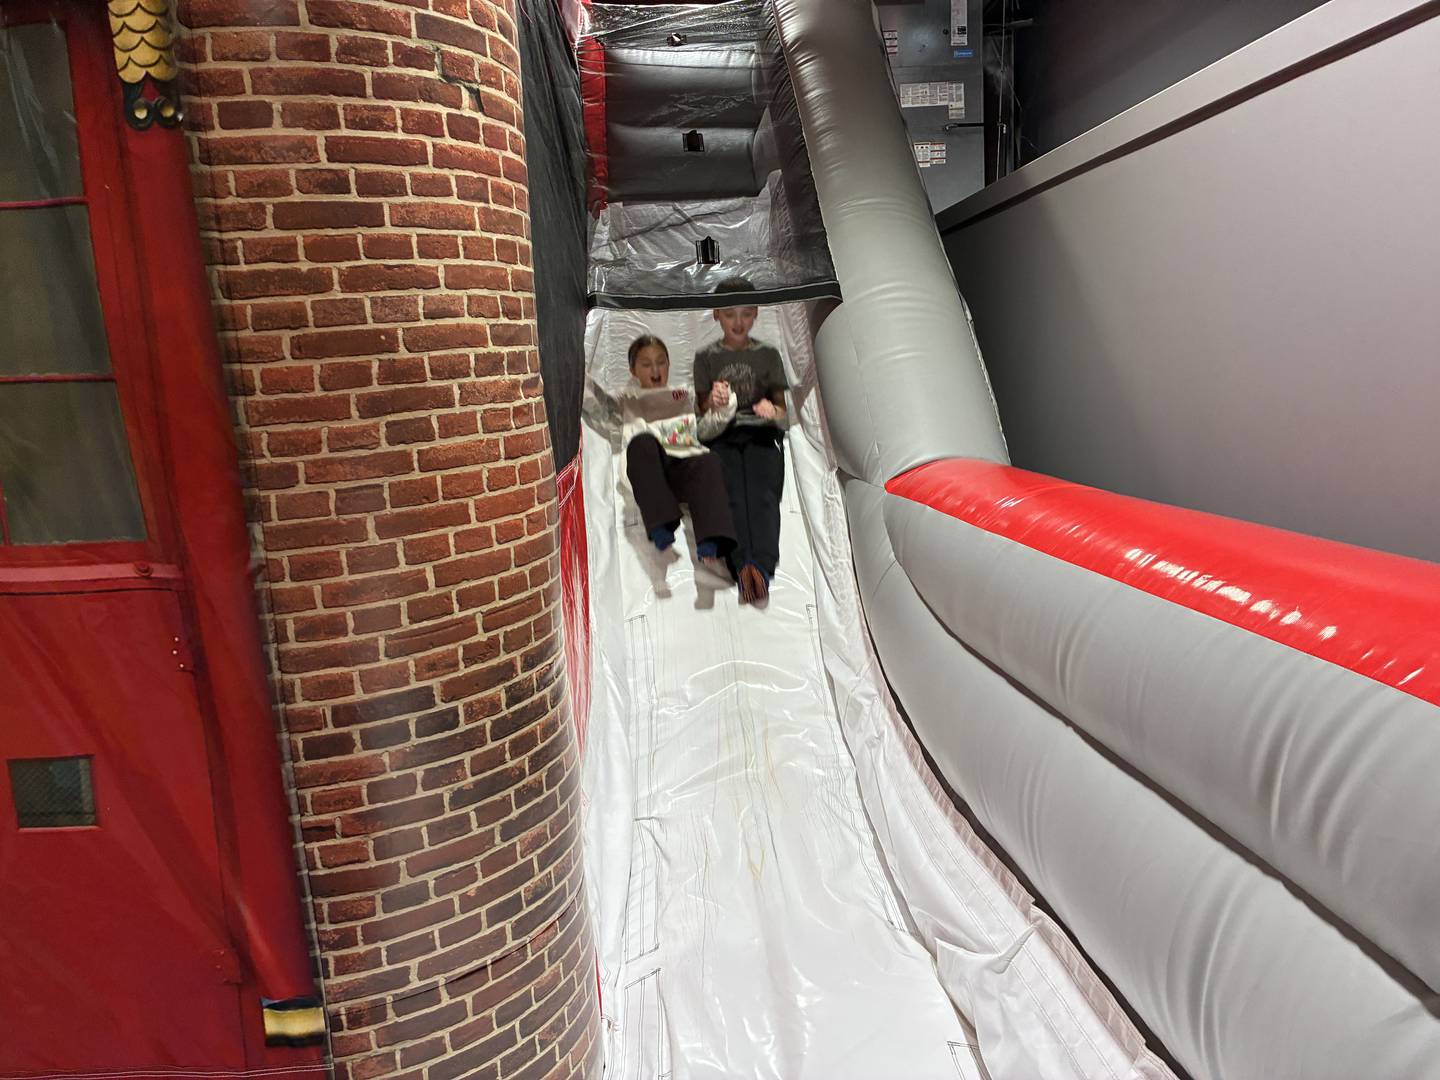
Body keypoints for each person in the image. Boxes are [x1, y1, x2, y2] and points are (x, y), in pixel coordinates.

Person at [590, 334, 737, 573]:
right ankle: (661, 525)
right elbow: (595, 404)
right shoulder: (627, 400)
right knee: (642, 443)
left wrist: (723, 401)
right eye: (646, 364)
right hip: (650, 476)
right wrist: (575, 368)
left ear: (669, 364)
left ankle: (711, 540)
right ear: (633, 370)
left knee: (708, 459)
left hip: (682, 470)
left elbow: (710, 425)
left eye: (661, 362)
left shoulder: (684, 395)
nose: (655, 370)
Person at [694, 278, 788, 604]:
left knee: (761, 493)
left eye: (746, 314)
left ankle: (761, 566)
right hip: (723, 434)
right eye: (731, 314)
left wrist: (770, 409)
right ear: (717, 315)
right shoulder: (705, 357)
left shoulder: (768, 354)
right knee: (730, 488)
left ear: (756, 314)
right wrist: (713, 401)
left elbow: (783, 412)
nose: (738, 323)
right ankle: (740, 564)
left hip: (761, 432)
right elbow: (700, 411)